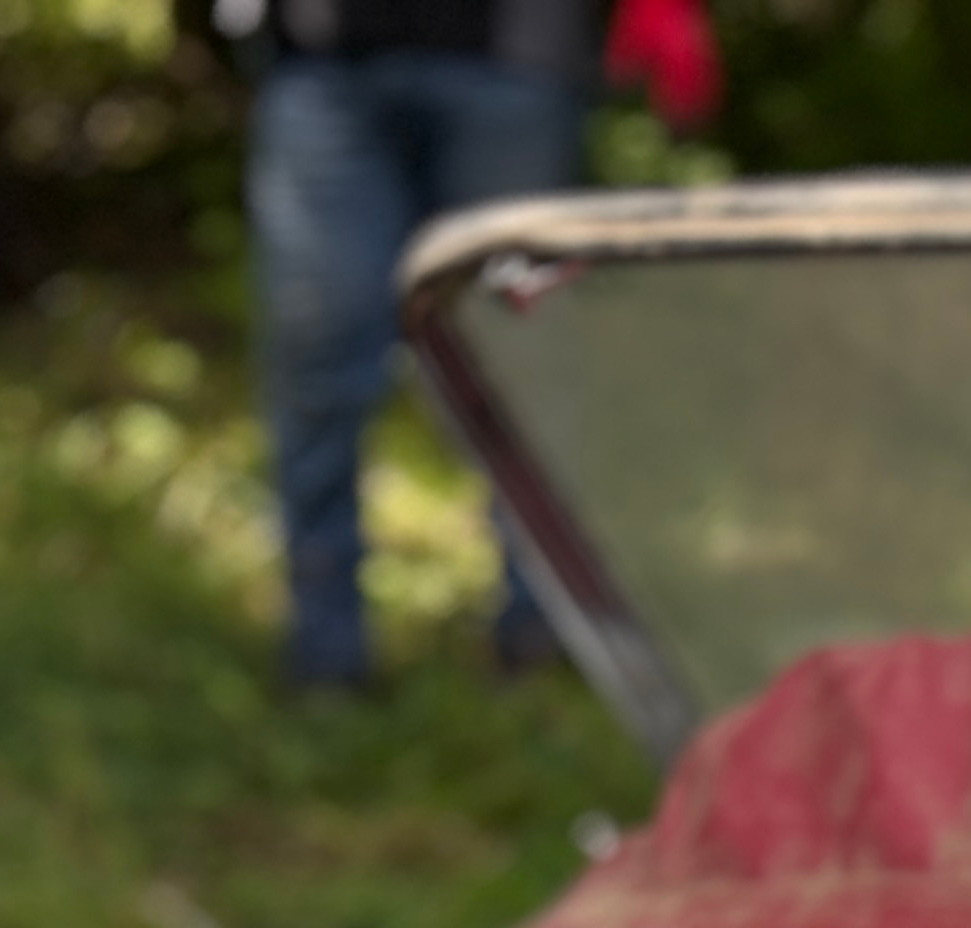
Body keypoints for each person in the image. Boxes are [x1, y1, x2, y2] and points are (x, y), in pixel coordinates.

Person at [220, 0, 714, 692]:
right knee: (317, 356)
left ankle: (540, 636)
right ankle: (323, 653)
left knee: (524, 362)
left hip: (515, 60)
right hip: (324, 56)